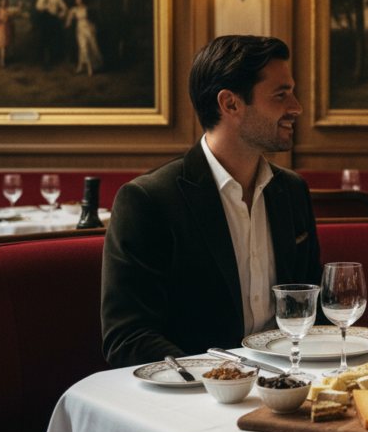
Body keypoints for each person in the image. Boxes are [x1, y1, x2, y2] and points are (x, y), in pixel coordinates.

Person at [101, 35, 323, 368]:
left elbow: (313, 309)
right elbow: (128, 337)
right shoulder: (148, 200)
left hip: (290, 385)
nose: (297, 107)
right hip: (194, 401)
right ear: (230, 104)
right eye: (281, 94)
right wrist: (226, 378)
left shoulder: (291, 190)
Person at [65, 0, 103, 76]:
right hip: (80, 30)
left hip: (88, 29)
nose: (78, 0)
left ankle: (81, 66)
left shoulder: (87, 8)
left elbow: (92, 19)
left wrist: (93, 27)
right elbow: (69, 19)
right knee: (83, 47)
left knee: (92, 47)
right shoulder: (74, 9)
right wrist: (67, 23)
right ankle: (89, 67)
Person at [35, 0, 67, 67]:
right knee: (45, 39)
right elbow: (38, 6)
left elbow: (64, 8)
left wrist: (61, 15)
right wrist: (46, 6)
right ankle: (45, 62)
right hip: (45, 18)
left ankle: (54, 60)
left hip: (54, 19)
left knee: (55, 39)